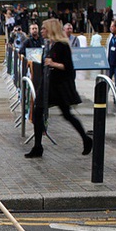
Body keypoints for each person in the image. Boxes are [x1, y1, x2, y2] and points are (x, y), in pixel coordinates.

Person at [25, 19, 92, 159]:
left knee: (67, 114)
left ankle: (86, 139)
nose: (41, 31)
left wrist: (53, 63)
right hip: (48, 85)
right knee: (38, 113)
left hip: (58, 87)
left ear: (51, 29)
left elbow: (68, 67)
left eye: (44, 28)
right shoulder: (51, 44)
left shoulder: (62, 45)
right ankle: (38, 147)